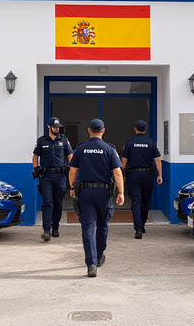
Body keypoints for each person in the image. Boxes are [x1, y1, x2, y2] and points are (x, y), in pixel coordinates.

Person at [68, 118, 125, 277]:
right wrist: (120, 192)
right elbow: (117, 172)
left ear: (89, 130)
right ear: (103, 131)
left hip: (85, 192)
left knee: (87, 227)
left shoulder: (81, 148)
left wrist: (72, 187)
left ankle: (91, 263)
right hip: (104, 193)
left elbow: (72, 171)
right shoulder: (109, 149)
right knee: (102, 224)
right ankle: (99, 255)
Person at [33, 117, 73, 241]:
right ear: (49, 126)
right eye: (54, 127)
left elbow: (70, 155)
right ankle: (46, 230)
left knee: (58, 203)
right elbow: (35, 155)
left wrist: (70, 169)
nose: (57, 129)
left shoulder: (64, 140)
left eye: (58, 127)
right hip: (46, 176)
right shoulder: (41, 141)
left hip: (60, 176)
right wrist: (36, 169)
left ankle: (55, 227)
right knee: (47, 203)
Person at [121, 120, 162, 239]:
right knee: (145, 201)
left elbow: (124, 161)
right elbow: (157, 160)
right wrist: (160, 175)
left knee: (135, 201)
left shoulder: (129, 143)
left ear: (135, 129)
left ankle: (137, 228)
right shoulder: (151, 143)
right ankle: (142, 225)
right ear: (145, 130)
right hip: (148, 176)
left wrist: (122, 175)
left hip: (133, 175)